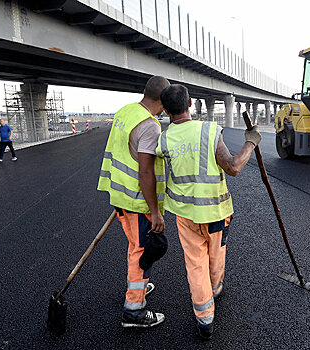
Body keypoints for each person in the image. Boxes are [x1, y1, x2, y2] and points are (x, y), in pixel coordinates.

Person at [156, 84, 262, 340]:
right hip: (216, 213)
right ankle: (215, 289)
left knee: (195, 265)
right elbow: (233, 167)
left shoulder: (164, 139)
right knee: (217, 254)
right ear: (190, 103)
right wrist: (251, 142)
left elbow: (152, 163)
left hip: (185, 215)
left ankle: (204, 319)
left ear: (166, 111)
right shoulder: (209, 130)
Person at [97, 75, 170, 328]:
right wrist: (155, 211)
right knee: (141, 252)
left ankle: (138, 285)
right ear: (162, 100)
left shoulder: (125, 112)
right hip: (137, 202)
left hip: (119, 195)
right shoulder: (150, 126)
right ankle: (134, 310)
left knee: (135, 246)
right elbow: (146, 171)